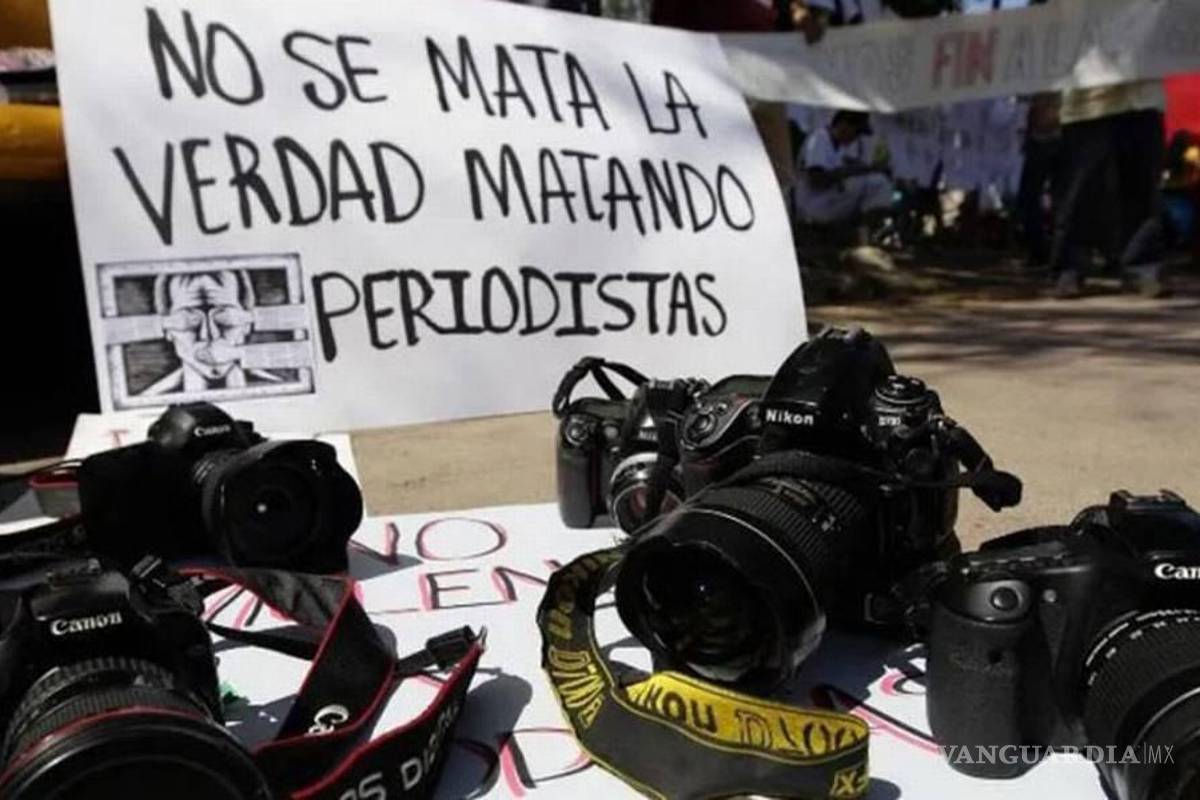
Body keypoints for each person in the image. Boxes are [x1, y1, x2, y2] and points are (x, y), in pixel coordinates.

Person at [1049, 79, 1170, 299]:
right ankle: (1070, 268)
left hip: (1141, 98)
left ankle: (1143, 269)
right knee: (1079, 191)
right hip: (1086, 104)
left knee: (1141, 188)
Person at [143, 270, 259, 395]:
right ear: (167, 330)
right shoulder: (148, 400)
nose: (208, 334)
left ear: (247, 324)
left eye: (226, 318)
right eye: (188, 321)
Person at [793, 110, 895, 231]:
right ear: (844, 124)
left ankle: (863, 231)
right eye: (857, 131)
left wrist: (869, 169)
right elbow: (816, 180)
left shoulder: (838, 146)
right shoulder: (819, 138)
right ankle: (860, 230)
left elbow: (848, 166)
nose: (856, 137)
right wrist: (855, 171)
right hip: (812, 205)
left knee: (878, 181)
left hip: (826, 202)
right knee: (875, 182)